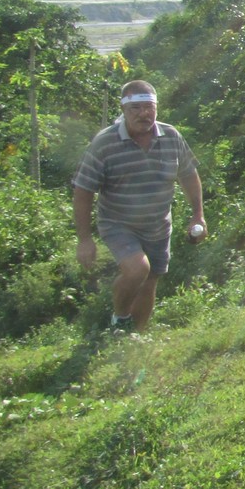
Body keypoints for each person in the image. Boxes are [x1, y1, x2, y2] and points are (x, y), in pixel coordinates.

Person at [72, 80, 205, 334]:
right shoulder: (104, 143)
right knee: (137, 270)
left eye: (149, 107)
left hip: (158, 224)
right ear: (123, 110)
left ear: (156, 108)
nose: (144, 114)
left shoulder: (171, 136)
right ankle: (120, 319)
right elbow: (83, 191)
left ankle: (135, 338)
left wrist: (198, 215)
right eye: (136, 108)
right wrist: (85, 239)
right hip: (118, 223)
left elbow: (189, 175)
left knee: (150, 280)